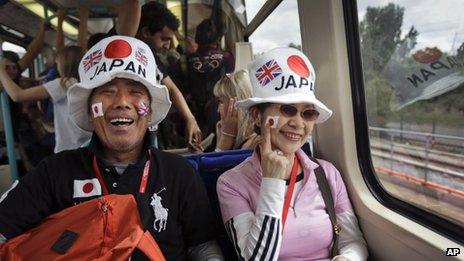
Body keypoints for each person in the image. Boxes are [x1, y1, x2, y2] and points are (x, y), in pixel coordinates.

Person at [0, 36, 222, 260]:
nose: (122, 102)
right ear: (89, 109)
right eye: (108, 91)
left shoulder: (179, 174)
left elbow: (203, 248)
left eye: (135, 91)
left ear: (151, 111)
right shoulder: (53, 173)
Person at [217, 48, 368, 260]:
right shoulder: (231, 183)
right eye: (287, 109)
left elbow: (352, 240)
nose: (298, 123)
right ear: (257, 117)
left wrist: (348, 258)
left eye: (308, 113)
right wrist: (272, 182)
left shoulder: (326, 173)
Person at [132, 1, 203, 150]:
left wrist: (190, 119)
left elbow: (171, 88)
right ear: (146, 32)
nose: (167, 45)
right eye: (164, 39)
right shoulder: (131, 53)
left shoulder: (152, 57)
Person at [187, 18, 235, 135]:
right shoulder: (227, 57)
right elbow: (231, 87)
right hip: (219, 109)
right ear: (218, 38)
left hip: (192, 112)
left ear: (197, 38)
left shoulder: (186, 60)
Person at [206, 70, 259, 152]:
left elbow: (218, 164)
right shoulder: (223, 130)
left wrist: (226, 138)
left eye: (221, 101)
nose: (218, 110)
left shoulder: (254, 144)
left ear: (236, 104)